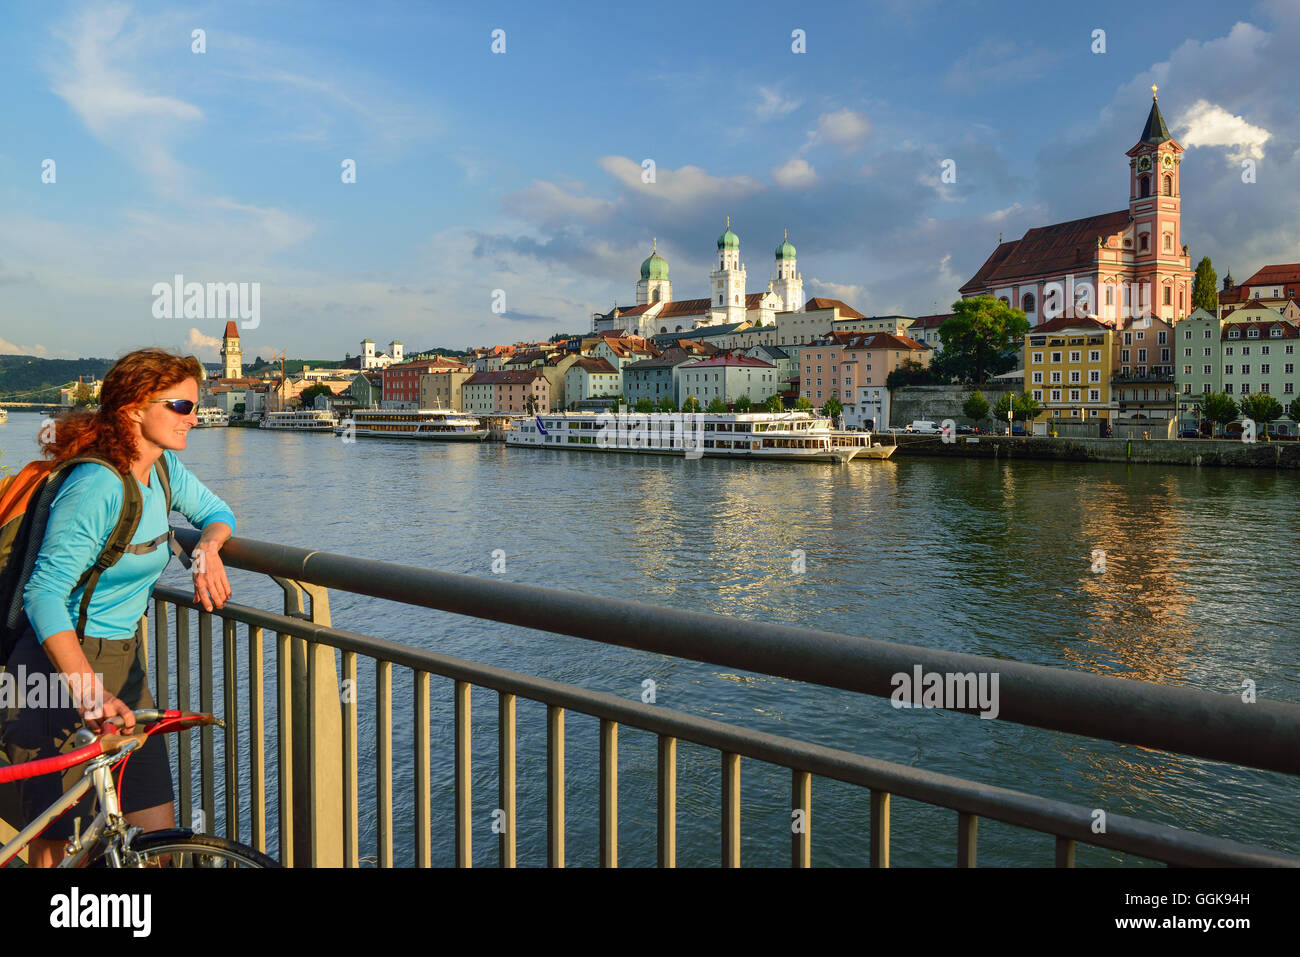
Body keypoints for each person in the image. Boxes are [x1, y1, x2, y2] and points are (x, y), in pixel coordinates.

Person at [1, 348, 235, 866]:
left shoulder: (165, 469)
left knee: (156, 843)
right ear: (133, 408)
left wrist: (208, 549)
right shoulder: (97, 485)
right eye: (180, 406)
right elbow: (44, 594)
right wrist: (86, 690)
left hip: (127, 670)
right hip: (58, 670)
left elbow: (217, 512)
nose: (194, 417)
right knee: (64, 853)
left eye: (196, 405)